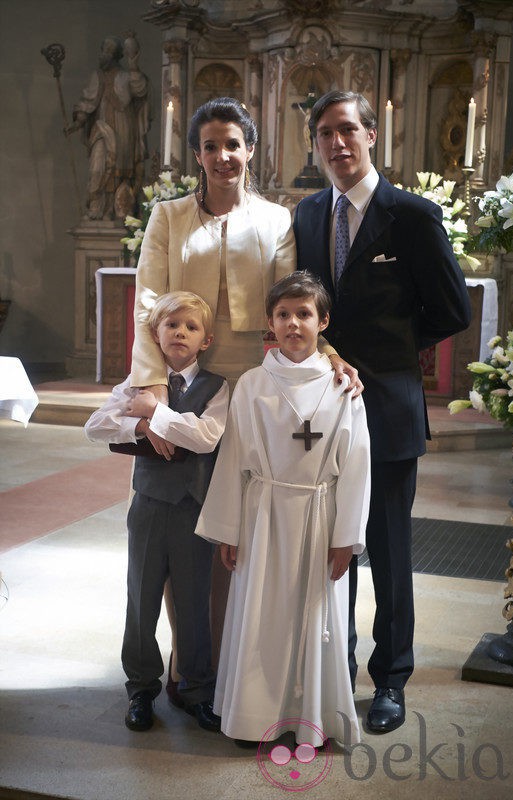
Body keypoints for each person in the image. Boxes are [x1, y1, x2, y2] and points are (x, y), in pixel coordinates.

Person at [129, 97, 359, 705]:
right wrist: (152, 388)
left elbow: (290, 303)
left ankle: (229, 660)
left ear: (250, 149)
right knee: (188, 531)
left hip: (258, 389)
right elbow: (148, 300)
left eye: (233, 144)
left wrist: (328, 356)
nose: (223, 156)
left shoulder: (277, 220)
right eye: (210, 146)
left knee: (240, 531)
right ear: (197, 155)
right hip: (189, 385)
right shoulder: (168, 216)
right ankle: (186, 661)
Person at [293, 90, 472, 734]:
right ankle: (333, 668)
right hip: (322, 408)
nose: (337, 143)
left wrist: (392, 350)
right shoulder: (309, 214)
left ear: (371, 135)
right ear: (315, 145)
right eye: (324, 133)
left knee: (391, 549)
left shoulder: (411, 215)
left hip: (389, 407)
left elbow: (453, 310)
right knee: (329, 545)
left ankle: (391, 677)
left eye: (347, 130)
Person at [195, 272, 371, 747]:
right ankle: (255, 718)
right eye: (283, 315)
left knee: (315, 620)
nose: (294, 324)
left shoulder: (342, 386)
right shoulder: (253, 384)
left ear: (323, 321)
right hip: (263, 514)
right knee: (260, 616)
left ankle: (314, 718)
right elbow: (233, 461)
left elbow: (356, 466)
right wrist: (228, 529)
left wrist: (345, 539)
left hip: (319, 516)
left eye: (304, 314)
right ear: (270, 323)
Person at [84, 291, 229, 733]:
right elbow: (96, 426)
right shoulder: (138, 383)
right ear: (156, 334)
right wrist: (142, 420)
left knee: (192, 604)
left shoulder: (218, 387)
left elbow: (206, 437)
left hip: (193, 512)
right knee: (141, 599)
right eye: (171, 325)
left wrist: (157, 413)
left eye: (191, 327)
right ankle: (141, 688)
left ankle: (198, 689)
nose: (180, 333)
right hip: (147, 508)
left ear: (205, 340)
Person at [66, 33, 152, 220]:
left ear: (115, 56)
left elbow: (141, 89)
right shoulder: (96, 77)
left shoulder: (126, 76)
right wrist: (78, 122)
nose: (102, 55)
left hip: (124, 130)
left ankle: (118, 210)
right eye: (102, 50)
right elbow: (87, 102)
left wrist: (134, 64)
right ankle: (96, 207)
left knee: (120, 170)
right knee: (97, 168)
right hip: (101, 129)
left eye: (107, 51)